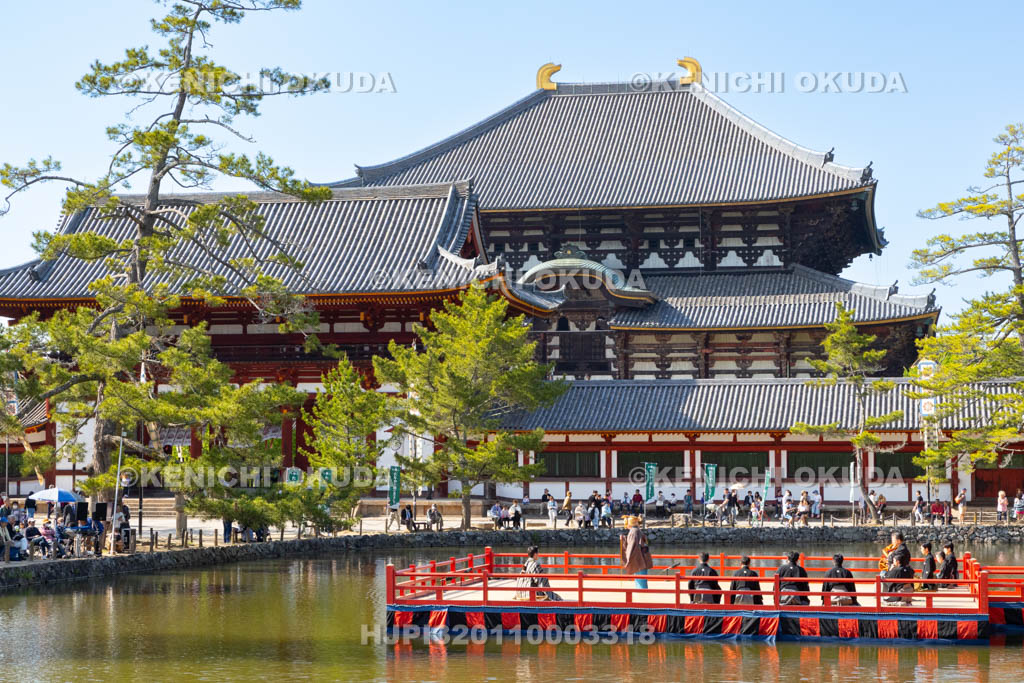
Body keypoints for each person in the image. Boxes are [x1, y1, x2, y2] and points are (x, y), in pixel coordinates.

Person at [620, 516, 653, 589]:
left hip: (638, 559)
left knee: (640, 582)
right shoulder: (637, 530)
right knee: (641, 580)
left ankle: (642, 597)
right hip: (641, 557)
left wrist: (628, 560)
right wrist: (624, 539)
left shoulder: (633, 531)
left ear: (629, 524)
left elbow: (631, 546)